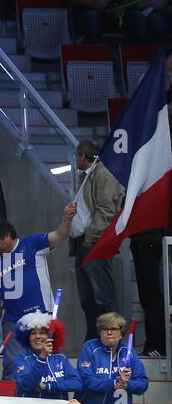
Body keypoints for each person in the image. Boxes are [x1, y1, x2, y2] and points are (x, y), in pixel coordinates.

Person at [0, 209, 75, 375]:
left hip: (40, 316)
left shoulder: (31, 243)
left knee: (46, 361)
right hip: (12, 321)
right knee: (13, 366)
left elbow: (59, 235)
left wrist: (66, 220)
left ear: (7, 235)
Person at [79, 312, 150, 404]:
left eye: (114, 329)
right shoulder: (89, 348)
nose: (109, 332)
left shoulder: (128, 352)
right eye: (105, 329)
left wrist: (126, 384)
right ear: (100, 332)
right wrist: (114, 383)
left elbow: (143, 384)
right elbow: (87, 381)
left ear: (121, 333)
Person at [71, 140, 124, 340]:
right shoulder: (85, 177)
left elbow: (107, 210)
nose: (75, 160)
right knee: (88, 298)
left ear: (83, 156)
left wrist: (91, 237)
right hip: (82, 242)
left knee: (102, 296)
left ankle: (112, 341)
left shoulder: (103, 174)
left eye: (77, 156)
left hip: (95, 243)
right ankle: (93, 340)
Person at [12, 313, 80, 401]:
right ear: (27, 337)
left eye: (42, 333)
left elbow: (77, 383)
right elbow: (27, 385)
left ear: (51, 337)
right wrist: (42, 357)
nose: (37, 336)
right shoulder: (21, 359)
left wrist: (48, 386)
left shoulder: (60, 358)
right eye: (33, 333)